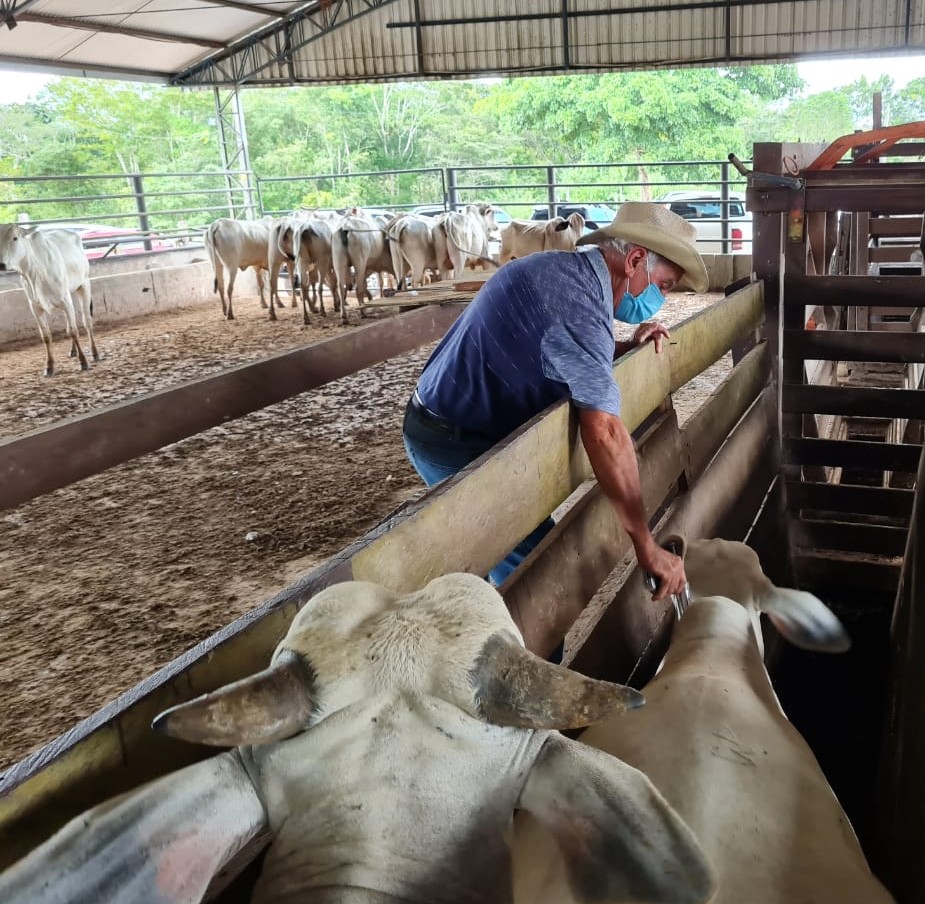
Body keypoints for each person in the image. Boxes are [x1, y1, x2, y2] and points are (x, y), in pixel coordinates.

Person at [401, 201, 709, 600]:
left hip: (461, 415)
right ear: (635, 260)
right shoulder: (578, 307)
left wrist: (620, 348)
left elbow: (561, 348)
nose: (659, 299)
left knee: (510, 554)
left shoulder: (563, 272)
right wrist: (645, 544)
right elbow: (605, 433)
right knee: (533, 574)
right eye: (663, 286)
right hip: (450, 435)